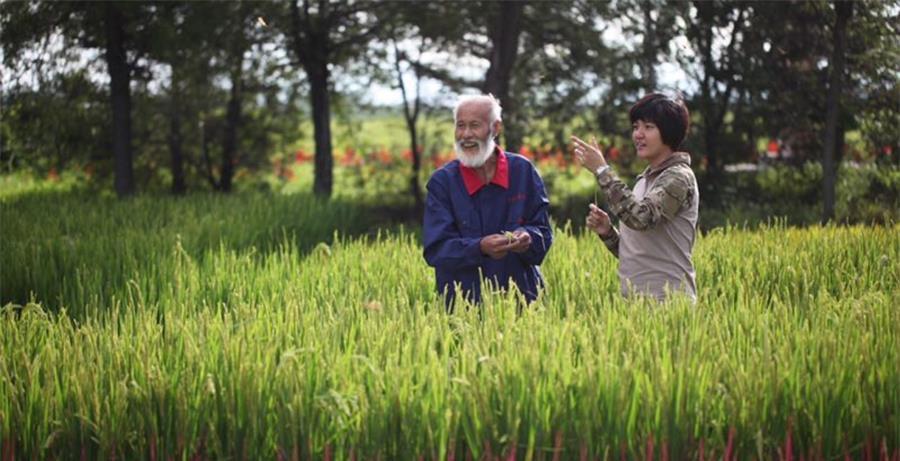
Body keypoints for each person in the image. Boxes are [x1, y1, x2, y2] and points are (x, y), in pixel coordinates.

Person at [423, 94, 553, 307]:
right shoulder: (443, 182)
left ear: (495, 128)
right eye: (460, 125)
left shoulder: (522, 171)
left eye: (474, 125)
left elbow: (544, 233)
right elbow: (436, 250)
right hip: (463, 306)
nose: (466, 134)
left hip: (524, 301)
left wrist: (528, 238)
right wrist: (479, 247)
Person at [572, 93, 699, 303]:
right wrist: (607, 232)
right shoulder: (644, 180)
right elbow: (637, 254)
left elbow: (642, 218)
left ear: (669, 132)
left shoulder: (678, 177)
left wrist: (603, 171)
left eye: (648, 127)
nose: (638, 134)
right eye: (635, 127)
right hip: (634, 302)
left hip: (668, 303)